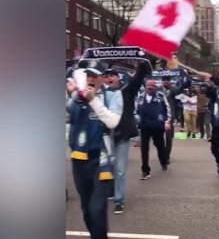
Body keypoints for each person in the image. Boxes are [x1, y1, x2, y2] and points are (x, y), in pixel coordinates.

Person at [66, 62, 123, 239]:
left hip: (102, 160)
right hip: (79, 159)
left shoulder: (113, 95)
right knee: (86, 209)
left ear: (103, 78)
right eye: (88, 74)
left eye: (95, 75)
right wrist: (71, 96)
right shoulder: (75, 95)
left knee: (97, 208)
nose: (90, 78)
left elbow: (112, 122)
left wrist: (93, 100)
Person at [104, 62, 151, 214]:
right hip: (105, 135)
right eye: (107, 76)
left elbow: (137, 79)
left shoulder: (127, 90)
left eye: (112, 75)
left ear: (118, 78)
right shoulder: (100, 93)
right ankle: (110, 191)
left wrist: (142, 64)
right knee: (107, 165)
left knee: (119, 169)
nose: (109, 78)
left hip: (121, 134)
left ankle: (119, 200)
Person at [136, 79, 171, 179]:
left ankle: (163, 162)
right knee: (144, 149)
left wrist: (167, 122)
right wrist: (137, 121)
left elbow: (167, 108)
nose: (150, 87)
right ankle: (145, 170)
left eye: (152, 85)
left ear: (155, 86)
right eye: (148, 85)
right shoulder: (141, 97)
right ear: (145, 86)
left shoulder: (160, 96)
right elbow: (136, 110)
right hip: (144, 126)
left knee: (160, 146)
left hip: (157, 125)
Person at [161, 74, 191, 163]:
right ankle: (162, 153)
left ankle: (166, 156)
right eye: (164, 80)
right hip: (159, 118)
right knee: (159, 138)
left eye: (167, 80)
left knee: (169, 138)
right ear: (162, 82)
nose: (166, 82)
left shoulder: (173, 90)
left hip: (169, 118)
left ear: (169, 82)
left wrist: (187, 78)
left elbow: (184, 86)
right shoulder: (158, 91)